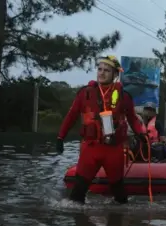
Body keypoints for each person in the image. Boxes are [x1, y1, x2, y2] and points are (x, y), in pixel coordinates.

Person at [56, 55, 147, 204]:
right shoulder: (84, 93)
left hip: (113, 150)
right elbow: (71, 116)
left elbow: (132, 119)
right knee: (77, 195)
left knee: (120, 195)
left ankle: (119, 225)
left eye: (107, 70)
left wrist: (141, 134)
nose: (101, 73)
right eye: (99, 69)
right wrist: (60, 137)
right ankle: (81, 224)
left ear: (115, 74)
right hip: (91, 148)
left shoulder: (124, 96)